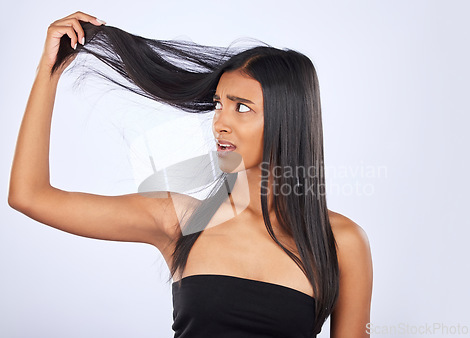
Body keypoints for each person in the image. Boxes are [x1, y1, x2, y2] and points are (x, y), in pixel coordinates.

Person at [8, 11, 373, 337]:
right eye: (218, 104)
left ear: (287, 119)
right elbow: (30, 196)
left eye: (241, 107)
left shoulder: (341, 242)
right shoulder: (181, 220)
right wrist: (48, 72)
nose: (220, 122)